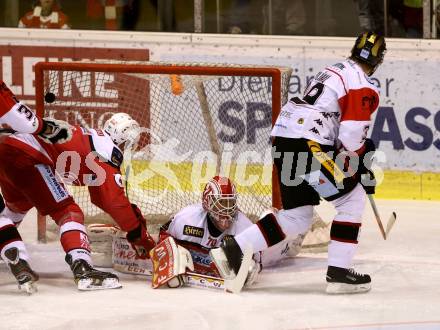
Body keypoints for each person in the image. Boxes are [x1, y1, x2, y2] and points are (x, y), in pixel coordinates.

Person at [209, 32, 386, 294]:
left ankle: (231, 249)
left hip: (284, 139)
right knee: (352, 199)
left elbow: (337, 131)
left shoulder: (333, 70)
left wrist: (358, 160)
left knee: (297, 216)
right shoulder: (363, 84)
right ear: (378, 60)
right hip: (308, 143)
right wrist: (362, 159)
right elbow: (350, 137)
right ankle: (338, 273)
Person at [0, 113, 155, 293]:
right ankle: (83, 269)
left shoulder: (92, 137)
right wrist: (137, 233)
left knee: (17, 206)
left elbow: (99, 194)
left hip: (7, 150)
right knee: (68, 212)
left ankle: (6, 244)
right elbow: (113, 201)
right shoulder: (106, 151)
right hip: (28, 157)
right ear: (124, 139)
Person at [154, 176, 304, 288]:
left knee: (271, 239)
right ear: (207, 204)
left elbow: (257, 260)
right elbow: (163, 236)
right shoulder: (187, 219)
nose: (226, 210)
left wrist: (251, 268)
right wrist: (171, 256)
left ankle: (294, 239)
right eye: (221, 204)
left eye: (230, 203)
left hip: (267, 253)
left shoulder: (243, 225)